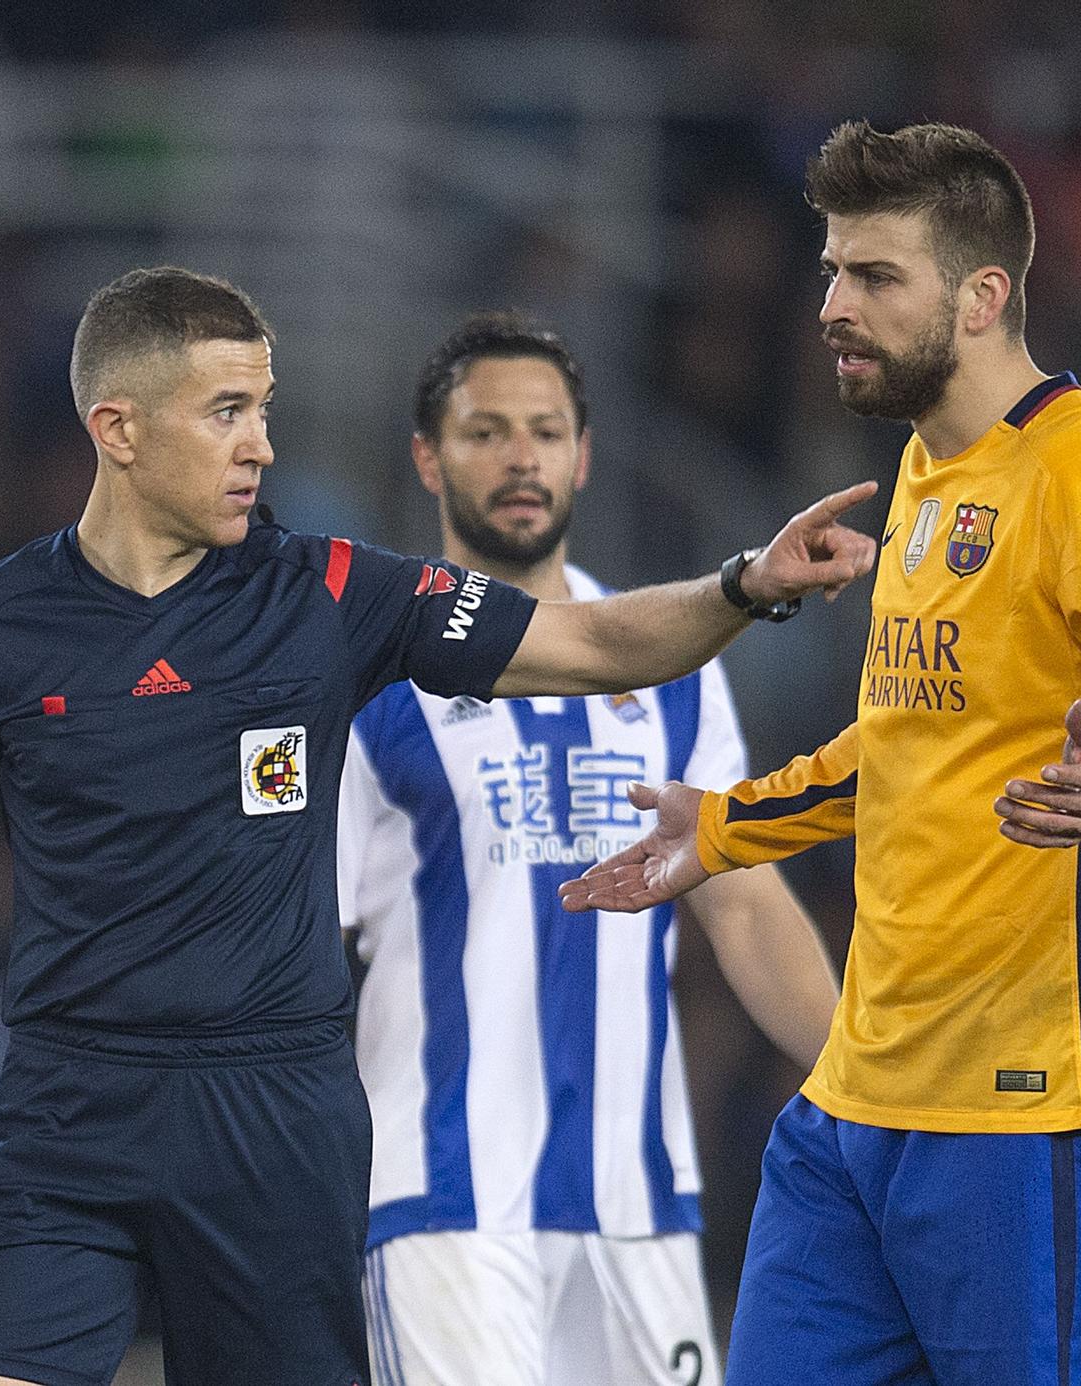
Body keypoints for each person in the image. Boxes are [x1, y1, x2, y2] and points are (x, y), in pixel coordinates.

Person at [0, 265, 877, 1386]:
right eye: (226, 414)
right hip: (67, 1118)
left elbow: (588, 644)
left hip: (274, 1130)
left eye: (264, 410)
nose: (261, 446)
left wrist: (743, 584)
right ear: (118, 429)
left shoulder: (332, 594)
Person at [560, 120, 1081, 1386]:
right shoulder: (926, 471)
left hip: (1029, 1118)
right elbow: (907, 744)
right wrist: (720, 831)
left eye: (873, 277)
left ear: (982, 296)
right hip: (853, 1107)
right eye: (830, 271)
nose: (831, 305)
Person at [338, 313, 839, 1386]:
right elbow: (300, 940)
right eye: (484, 432)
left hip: (637, 1208)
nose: (520, 456)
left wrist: (864, 1071)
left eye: (545, 431)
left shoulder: (675, 665)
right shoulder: (368, 675)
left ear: (582, 455)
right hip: (442, 1203)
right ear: (426, 457)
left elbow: (741, 904)